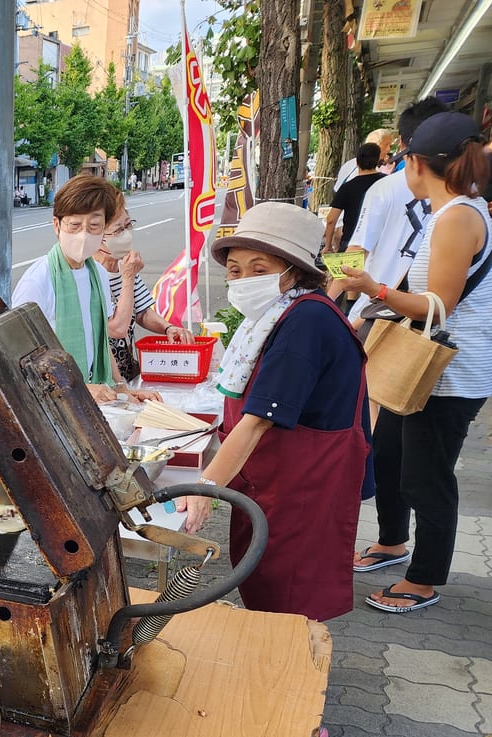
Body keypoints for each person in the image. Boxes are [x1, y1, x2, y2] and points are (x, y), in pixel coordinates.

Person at [177, 202, 372, 621]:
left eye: (259, 268)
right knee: (268, 583)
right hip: (273, 481)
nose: (244, 280)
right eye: (235, 269)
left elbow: (257, 421)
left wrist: (204, 487)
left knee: (289, 597)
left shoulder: (306, 322)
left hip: (301, 486)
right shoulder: (277, 314)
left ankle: (291, 676)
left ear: (294, 271)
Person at [341, 111, 491, 613]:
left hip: (449, 373)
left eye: (404, 159)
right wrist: (368, 306)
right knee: (389, 454)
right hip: (429, 369)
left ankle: (424, 579)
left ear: (420, 163)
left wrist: (373, 289)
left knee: (428, 476)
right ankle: (391, 541)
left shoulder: (460, 218)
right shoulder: (445, 212)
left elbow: (438, 306)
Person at [10, 174, 160, 403]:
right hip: (53, 404)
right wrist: (81, 388)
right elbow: (18, 360)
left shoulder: (96, 273)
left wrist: (122, 389)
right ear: (57, 225)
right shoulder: (38, 282)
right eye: (74, 225)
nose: (83, 235)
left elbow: (98, 337)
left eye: (94, 226)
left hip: (90, 400)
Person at [339, 98, 450, 328]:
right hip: (411, 317)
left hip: (390, 316)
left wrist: (331, 301)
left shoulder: (385, 188)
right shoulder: (466, 198)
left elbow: (357, 250)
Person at [94, 188, 194, 384]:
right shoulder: (92, 274)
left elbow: (142, 312)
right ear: (97, 236)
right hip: (102, 378)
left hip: (129, 371)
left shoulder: (124, 264)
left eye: (128, 225)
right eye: (118, 230)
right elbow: (116, 329)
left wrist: (167, 328)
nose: (127, 234)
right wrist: (128, 277)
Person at [322, 143, 387, 253]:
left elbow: (331, 219)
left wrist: (328, 246)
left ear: (357, 162)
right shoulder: (387, 183)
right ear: (377, 161)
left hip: (350, 242)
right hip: (379, 243)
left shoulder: (347, 187)